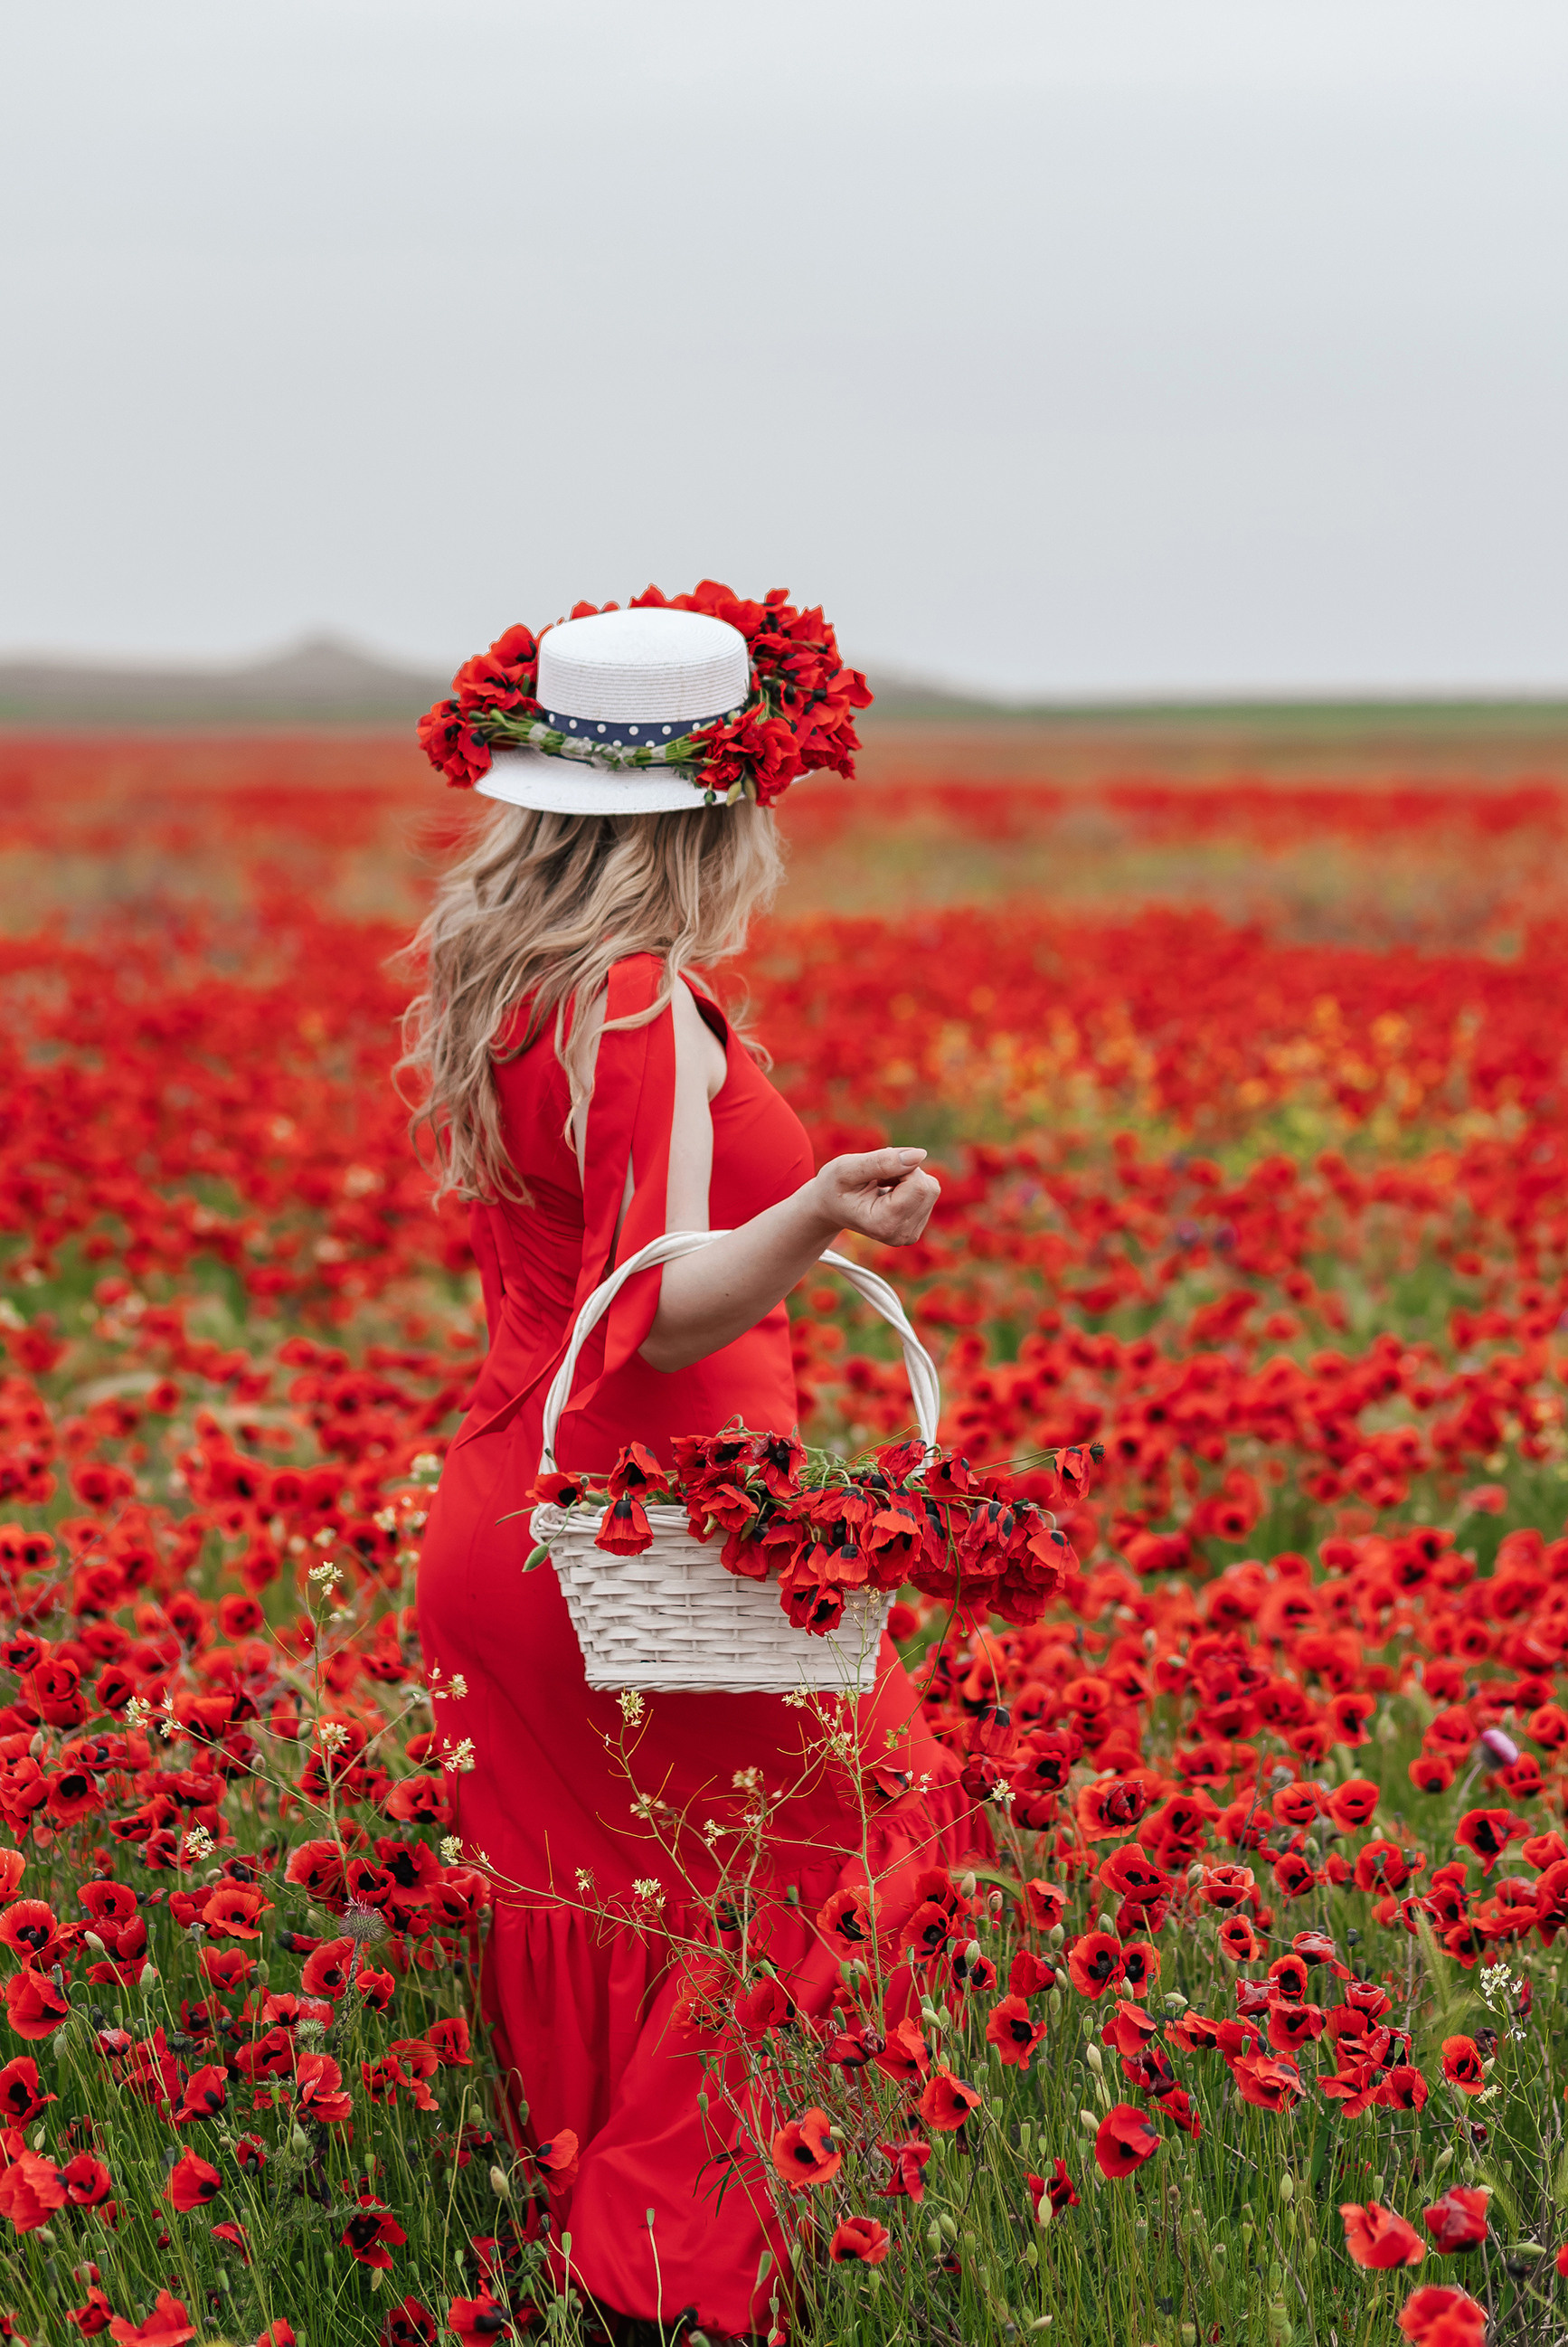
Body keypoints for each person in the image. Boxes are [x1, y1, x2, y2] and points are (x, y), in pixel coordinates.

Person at [406, 591, 985, 2342]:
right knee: (850, 1844)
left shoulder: (508, 971)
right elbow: (655, 1308)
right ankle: (657, 2287)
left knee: (649, 1900)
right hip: (648, 1531)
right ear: (729, 806)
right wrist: (819, 1209)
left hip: (521, 1514)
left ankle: (626, 2269)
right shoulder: (640, 1002)